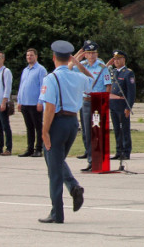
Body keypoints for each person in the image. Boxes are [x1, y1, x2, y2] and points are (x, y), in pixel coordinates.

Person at [38, 40, 87, 224]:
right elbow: (92, 81)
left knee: (55, 170)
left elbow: (49, 108)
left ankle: (57, 213)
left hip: (56, 124)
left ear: (53, 57)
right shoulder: (78, 76)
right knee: (55, 161)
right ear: (70, 57)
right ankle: (74, 187)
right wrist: (77, 64)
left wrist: (44, 132)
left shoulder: (51, 78)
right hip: (73, 123)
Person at [77, 41, 111, 171]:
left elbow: (108, 85)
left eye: (93, 53)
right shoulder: (81, 66)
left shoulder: (102, 67)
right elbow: (68, 66)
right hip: (85, 101)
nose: (91, 56)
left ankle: (99, 159)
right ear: (85, 54)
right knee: (87, 132)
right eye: (89, 53)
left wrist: (105, 103)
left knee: (97, 132)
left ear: (97, 54)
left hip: (98, 102)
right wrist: (79, 55)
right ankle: (91, 160)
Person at [16, 48, 47, 157]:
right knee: (29, 127)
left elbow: (43, 86)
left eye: (31, 55)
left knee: (38, 127)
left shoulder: (40, 70)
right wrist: (19, 101)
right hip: (25, 102)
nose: (29, 57)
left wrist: (40, 101)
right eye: (28, 55)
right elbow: (21, 86)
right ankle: (29, 148)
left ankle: (38, 148)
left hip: (35, 103)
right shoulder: (25, 70)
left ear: (36, 56)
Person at [108, 50, 135, 160]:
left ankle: (126, 151)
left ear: (123, 59)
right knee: (116, 129)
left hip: (122, 105)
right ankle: (118, 151)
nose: (116, 61)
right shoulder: (113, 72)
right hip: (113, 105)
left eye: (119, 59)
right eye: (115, 59)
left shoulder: (128, 73)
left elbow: (131, 92)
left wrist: (128, 107)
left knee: (124, 129)